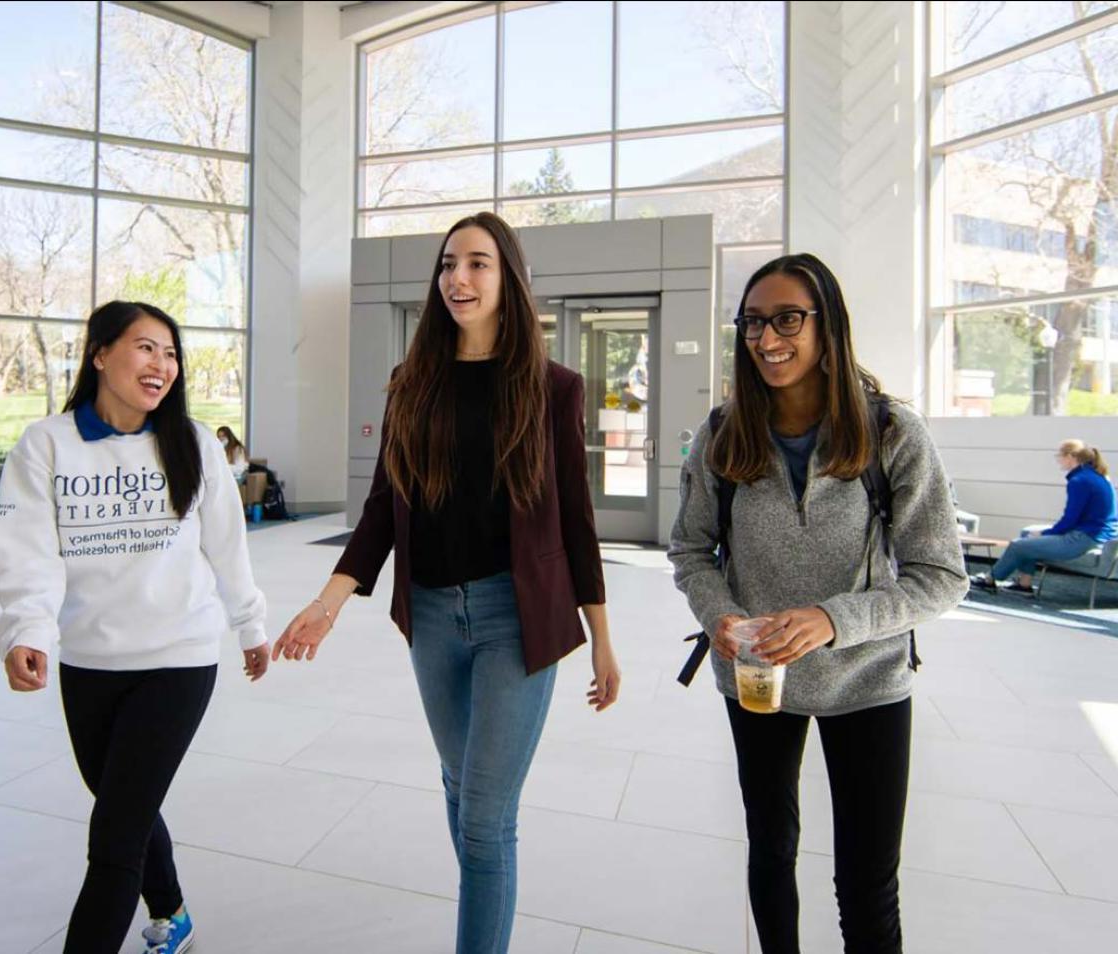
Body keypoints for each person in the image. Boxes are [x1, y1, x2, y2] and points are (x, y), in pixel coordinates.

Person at [273, 211, 621, 954]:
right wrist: (327, 603)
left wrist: (602, 637)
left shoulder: (553, 388)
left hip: (517, 618)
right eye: (447, 265)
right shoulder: (413, 383)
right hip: (430, 615)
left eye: (478, 264)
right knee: (463, 790)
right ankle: (487, 904)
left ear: (509, 279)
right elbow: (379, 511)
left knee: (484, 817)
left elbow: (576, 519)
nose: (457, 279)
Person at [668, 253, 968, 954]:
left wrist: (835, 619)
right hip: (757, 681)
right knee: (771, 851)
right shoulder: (721, 433)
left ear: (828, 325)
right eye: (752, 324)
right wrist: (721, 618)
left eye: (787, 319)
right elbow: (690, 552)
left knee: (867, 883)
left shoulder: (893, 432)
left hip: (866, 680)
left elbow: (939, 574)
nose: (767, 339)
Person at [0, 300, 270, 954]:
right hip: (89, 661)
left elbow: (228, 548)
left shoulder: (193, 442)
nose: (162, 365)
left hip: (180, 657)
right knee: (124, 802)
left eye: (171, 353)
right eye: (146, 348)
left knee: (113, 837)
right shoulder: (46, 444)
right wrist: (26, 629)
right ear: (100, 355)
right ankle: (172, 908)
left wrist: (249, 623)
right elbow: (28, 550)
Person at [971, 441, 1117, 593]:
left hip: (1083, 539)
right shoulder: (1098, 477)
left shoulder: (1080, 481)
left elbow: (1070, 519)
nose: (1058, 460)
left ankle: (989, 579)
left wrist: (1045, 533)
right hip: (1096, 537)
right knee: (1027, 535)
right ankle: (1023, 584)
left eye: (1059, 456)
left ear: (1070, 456)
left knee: (1017, 545)